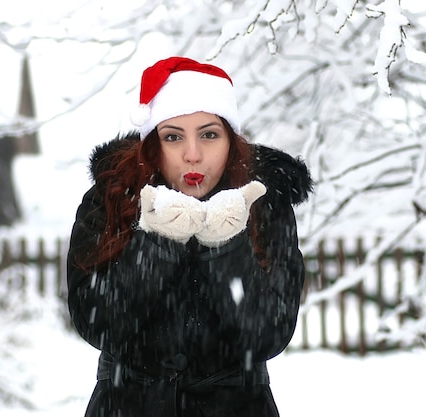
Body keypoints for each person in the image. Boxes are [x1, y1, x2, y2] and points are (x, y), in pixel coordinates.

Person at [67, 56, 313, 417]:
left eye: (209, 134)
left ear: (230, 139)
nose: (193, 155)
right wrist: (159, 244)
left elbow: (267, 335)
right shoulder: (112, 198)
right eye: (173, 137)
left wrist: (225, 247)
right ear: (153, 144)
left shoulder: (264, 202)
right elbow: (98, 324)